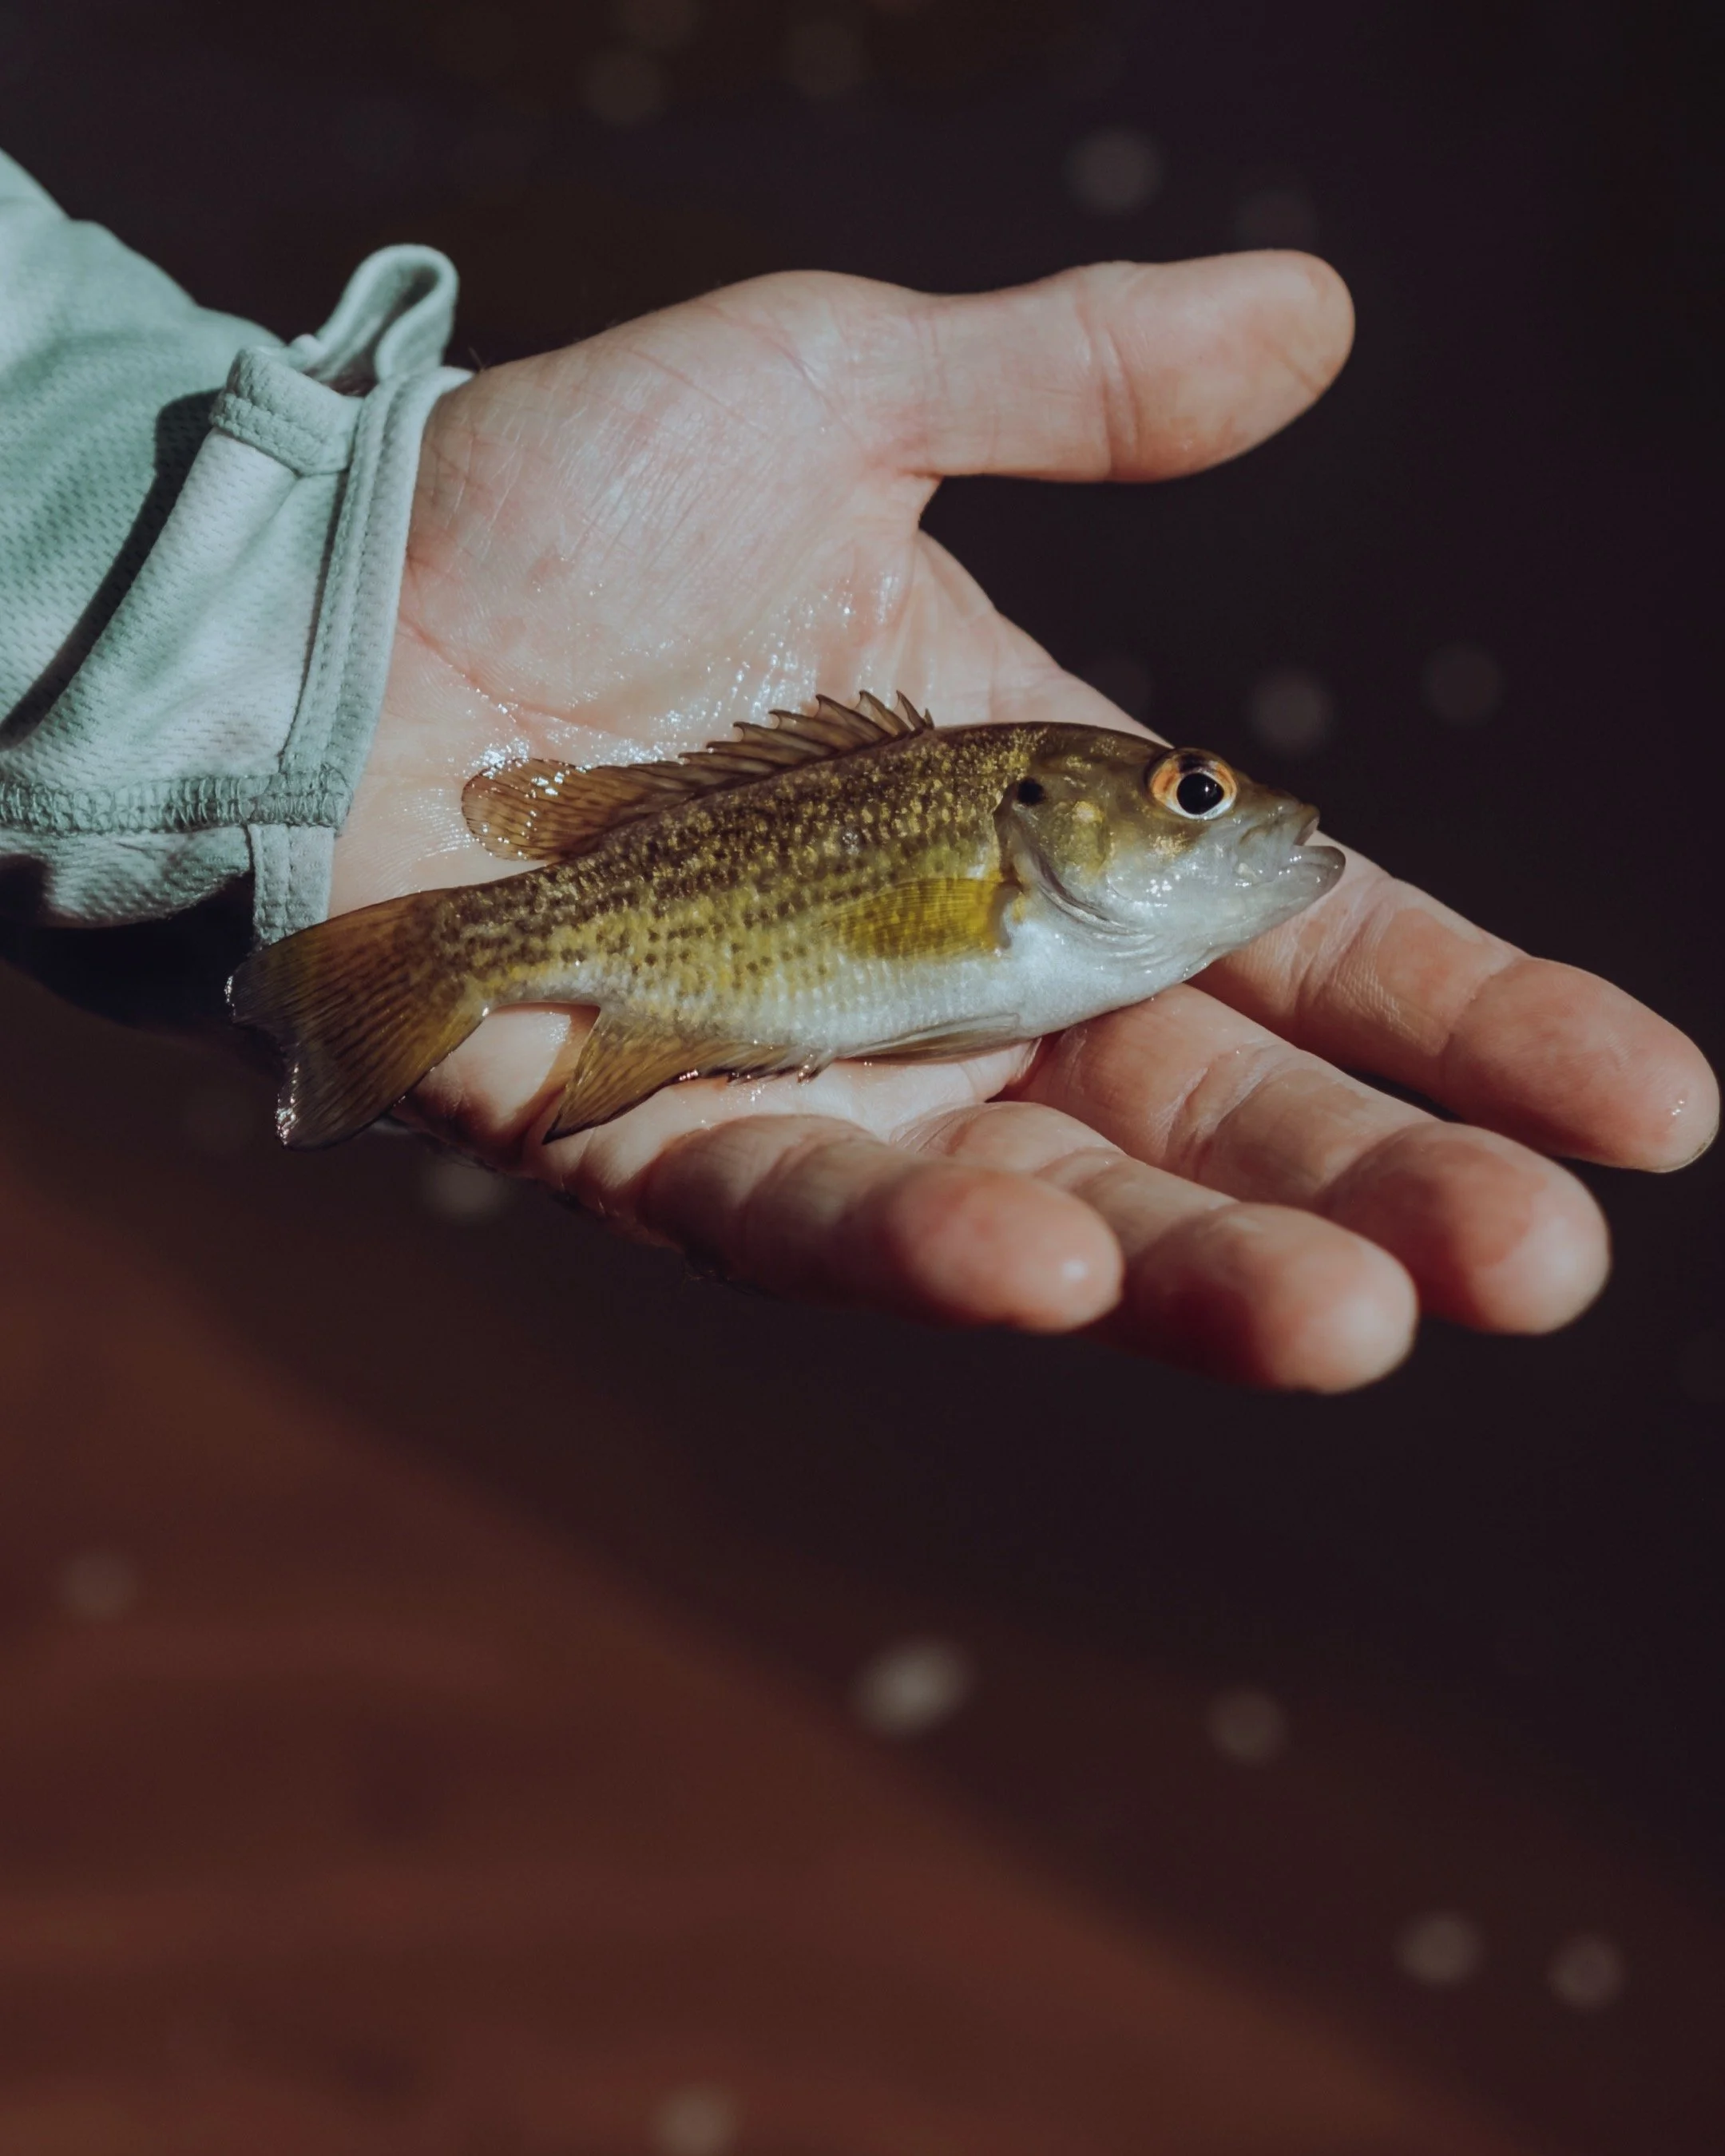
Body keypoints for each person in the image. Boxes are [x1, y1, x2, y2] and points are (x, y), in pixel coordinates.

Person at [1, 150, 1713, 1392]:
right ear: (1052, 812)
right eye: (1190, 794)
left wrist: (294, 596)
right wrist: (320, 607)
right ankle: (358, 988)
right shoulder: (992, 843)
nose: (1234, 815)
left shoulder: (1028, 860)